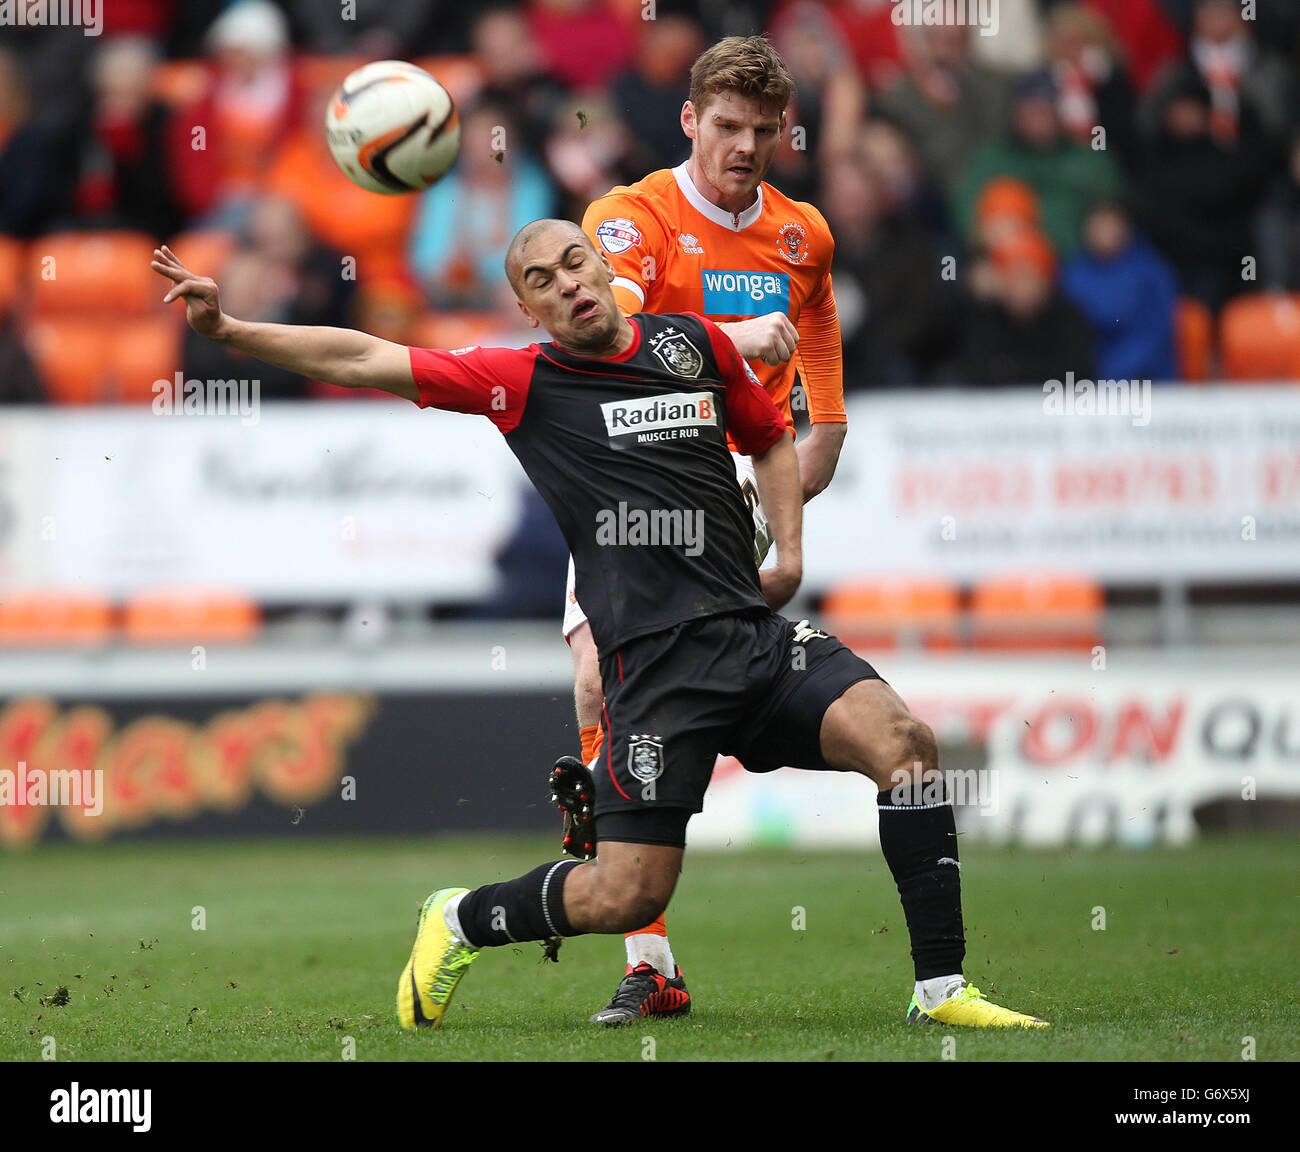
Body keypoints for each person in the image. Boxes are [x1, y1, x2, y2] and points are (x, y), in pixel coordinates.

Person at [152, 218, 1050, 1034]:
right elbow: (363, 357)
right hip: (655, 676)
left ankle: (942, 991)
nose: (566, 283)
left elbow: (771, 436)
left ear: (604, 265)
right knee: (624, 896)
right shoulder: (522, 384)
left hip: (755, 639)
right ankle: (458, 918)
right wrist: (230, 333)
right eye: (540, 279)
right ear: (527, 307)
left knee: (907, 745)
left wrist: (790, 558)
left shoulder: (692, 344)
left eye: (574, 261)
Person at [560, 34, 847, 1025]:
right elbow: (612, 332)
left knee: (662, 691)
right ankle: (650, 954)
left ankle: (643, 913)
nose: (745, 146)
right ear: (689, 120)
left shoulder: (803, 232)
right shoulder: (632, 218)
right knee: (598, 683)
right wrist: (730, 341)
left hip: (730, 483)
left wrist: (829, 428)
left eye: (764, 130)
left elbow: (813, 328)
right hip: (628, 473)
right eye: (726, 125)